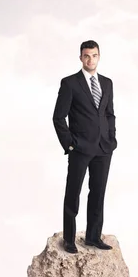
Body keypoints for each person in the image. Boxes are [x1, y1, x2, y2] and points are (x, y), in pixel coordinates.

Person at [52, 40, 117, 253]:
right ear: (81, 57)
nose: (90, 60)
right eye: (86, 56)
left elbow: (109, 114)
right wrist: (70, 145)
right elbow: (58, 117)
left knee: (98, 194)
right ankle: (69, 239)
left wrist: (112, 138)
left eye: (94, 55)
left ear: (99, 56)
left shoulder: (107, 83)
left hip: (103, 148)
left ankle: (92, 237)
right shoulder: (70, 83)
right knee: (73, 194)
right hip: (80, 148)